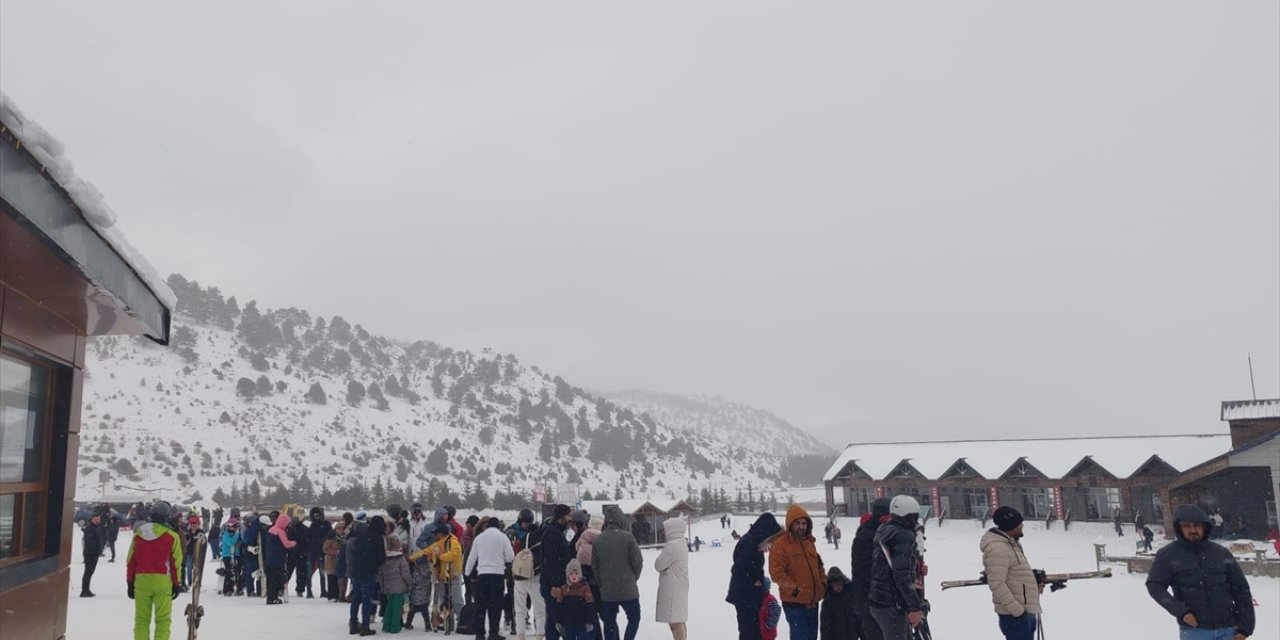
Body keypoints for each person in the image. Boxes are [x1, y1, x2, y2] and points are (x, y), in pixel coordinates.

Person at [1146, 505, 1254, 640]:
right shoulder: (1168, 555)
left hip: (1228, 629)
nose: (1192, 530)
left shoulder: (1221, 553)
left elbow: (1241, 589)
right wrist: (1181, 612)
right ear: (1179, 528)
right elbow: (1155, 586)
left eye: (1197, 525)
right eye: (1187, 526)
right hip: (1194, 631)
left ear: (1204, 527)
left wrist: (1246, 627)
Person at [868, 496, 925, 640]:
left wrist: (913, 578)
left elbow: (891, 568)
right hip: (891, 602)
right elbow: (901, 575)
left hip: (879, 599)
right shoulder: (902, 535)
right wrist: (915, 606)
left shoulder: (885, 529)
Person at [982, 506, 1043, 640]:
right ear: (1012, 526)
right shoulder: (997, 548)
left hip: (1024, 612)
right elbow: (997, 584)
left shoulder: (1011, 544)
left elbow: (1014, 573)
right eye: (1019, 524)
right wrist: (1018, 611)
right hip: (1015, 616)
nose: (1022, 526)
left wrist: (1033, 577)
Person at [127, 501, 183, 640]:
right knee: (163, 620)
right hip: (162, 582)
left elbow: (131, 561)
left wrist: (130, 582)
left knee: (141, 619)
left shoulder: (138, 535)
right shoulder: (171, 536)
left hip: (141, 581)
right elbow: (176, 563)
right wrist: (177, 584)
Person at [769, 505, 826, 640]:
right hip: (794, 604)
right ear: (790, 523)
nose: (801, 527)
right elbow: (776, 573)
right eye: (797, 523)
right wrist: (795, 590)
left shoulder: (809, 542)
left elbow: (819, 565)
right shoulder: (780, 545)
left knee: (811, 637)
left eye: (804, 523)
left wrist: (823, 583)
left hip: (813, 602)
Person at [725, 513, 782, 640]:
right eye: (769, 540)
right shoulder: (748, 543)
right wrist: (753, 582)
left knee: (755, 632)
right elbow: (738, 569)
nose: (769, 545)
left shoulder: (754, 543)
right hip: (745, 597)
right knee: (748, 632)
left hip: (751, 596)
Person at [593, 505, 643, 640]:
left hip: (607, 591)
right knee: (634, 618)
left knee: (609, 622)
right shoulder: (628, 537)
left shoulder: (598, 539)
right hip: (628, 589)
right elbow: (637, 562)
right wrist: (632, 578)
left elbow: (595, 566)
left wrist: (601, 583)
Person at [466, 509, 515, 640]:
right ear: (498, 526)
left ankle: (480, 634)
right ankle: (493, 633)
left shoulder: (479, 538)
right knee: (495, 606)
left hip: (482, 576)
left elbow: (472, 558)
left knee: (480, 606)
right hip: (498, 576)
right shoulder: (503, 537)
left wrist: (466, 572)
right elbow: (510, 557)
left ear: (487, 526)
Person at [851, 497, 891, 640]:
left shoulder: (886, 531)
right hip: (868, 596)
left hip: (884, 597)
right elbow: (864, 569)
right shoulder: (867, 534)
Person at [507, 508, 546, 640]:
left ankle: (520, 634)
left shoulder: (513, 533)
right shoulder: (539, 535)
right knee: (539, 606)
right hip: (535, 574)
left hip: (519, 573)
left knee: (520, 607)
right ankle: (539, 633)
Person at [541, 504, 576, 640]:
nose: (570, 518)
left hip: (556, 583)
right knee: (554, 620)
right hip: (553, 585)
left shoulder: (557, 532)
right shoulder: (552, 534)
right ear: (561, 517)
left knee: (557, 619)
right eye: (568, 515)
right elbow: (551, 562)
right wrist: (555, 585)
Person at [349, 515, 387, 636]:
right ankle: (365, 626)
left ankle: (353, 624)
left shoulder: (361, 535)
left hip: (356, 570)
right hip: (368, 571)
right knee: (366, 599)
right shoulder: (377, 538)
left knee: (356, 598)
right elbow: (381, 558)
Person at [654, 517, 689, 640]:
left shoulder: (672, 546)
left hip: (672, 587)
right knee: (679, 618)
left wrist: (665, 568)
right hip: (679, 585)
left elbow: (658, 565)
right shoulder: (681, 542)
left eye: (665, 529)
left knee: (675, 621)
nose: (663, 532)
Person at [551, 559, 597, 640]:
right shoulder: (564, 589)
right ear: (567, 575)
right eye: (571, 573)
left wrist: (590, 621)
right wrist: (558, 621)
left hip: (582, 624)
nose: (574, 576)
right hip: (567, 624)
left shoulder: (585, 588)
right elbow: (559, 606)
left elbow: (589, 605)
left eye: (576, 573)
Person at [378, 536, 413, 634]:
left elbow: (380, 574)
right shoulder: (401, 559)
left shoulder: (384, 559)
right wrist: (409, 584)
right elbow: (406, 573)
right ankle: (394, 627)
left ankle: (386, 626)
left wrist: (382, 585)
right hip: (399, 586)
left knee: (389, 605)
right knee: (397, 607)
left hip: (387, 586)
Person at [819, 567, 856, 640]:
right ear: (831, 585)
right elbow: (825, 626)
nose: (838, 586)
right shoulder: (828, 602)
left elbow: (856, 618)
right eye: (835, 584)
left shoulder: (849, 598)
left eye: (840, 584)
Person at [306, 506, 333, 599]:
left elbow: (330, 535)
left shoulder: (326, 524)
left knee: (322, 572)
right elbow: (308, 538)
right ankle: (309, 591)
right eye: (315, 515)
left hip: (322, 552)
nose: (316, 517)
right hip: (312, 551)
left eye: (318, 515)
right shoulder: (312, 525)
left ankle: (323, 591)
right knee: (309, 572)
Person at [81, 512, 107, 597]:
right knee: (88, 572)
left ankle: (86, 589)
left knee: (90, 572)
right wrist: (96, 548)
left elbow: (101, 538)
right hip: (89, 553)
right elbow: (89, 541)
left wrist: (101, 547)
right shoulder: (89, 528)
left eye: (98, 519)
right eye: (95, 519)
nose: (97, 521)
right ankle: (84, 591)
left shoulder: (98, 527)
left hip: (95, 553)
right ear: (92, 520)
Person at [220, 517, 243, 596]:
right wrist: (236, 535)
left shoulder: (238, 534)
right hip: (227, 555)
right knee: (229, 572)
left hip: (236, 554)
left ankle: (239, 588)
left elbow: (241, 541)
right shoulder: (226, 534)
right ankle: (227, 589)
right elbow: (231, 542)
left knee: (238, 572)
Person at [324, 523, 345, 602]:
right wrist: (335, 552)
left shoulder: (344, 538)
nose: (340, 531)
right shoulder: (330, 538)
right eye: (338, 529)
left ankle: (337, 595)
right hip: (331, 561)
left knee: (338, 579)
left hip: (340, 561)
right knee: (331, 579)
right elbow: (325, 549)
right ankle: (331, 595)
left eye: (341, 529)